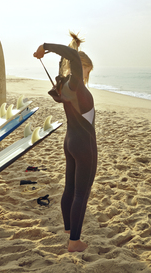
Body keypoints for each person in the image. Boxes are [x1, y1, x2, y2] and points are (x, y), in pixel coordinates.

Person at [33, 33, 97, 252]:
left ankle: (69, 230)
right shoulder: (76, 83)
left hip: (69, 142)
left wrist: (53, 51)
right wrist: (45, 46)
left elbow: (67, 58)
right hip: (83, 144)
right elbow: (71, 55)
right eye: (89, 69)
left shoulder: (65, 84)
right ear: (83, 66)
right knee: (81, 193)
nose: (88, 74)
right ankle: (75, 242)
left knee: (70, 188)